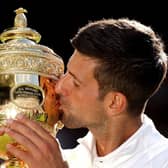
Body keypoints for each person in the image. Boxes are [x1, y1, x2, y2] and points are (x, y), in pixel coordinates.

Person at [1, 17, 168, 168]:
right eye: (67, 72)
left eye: (75, 82)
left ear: (114, 103)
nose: (59, 86)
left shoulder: (162, 160)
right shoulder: (65, 159)